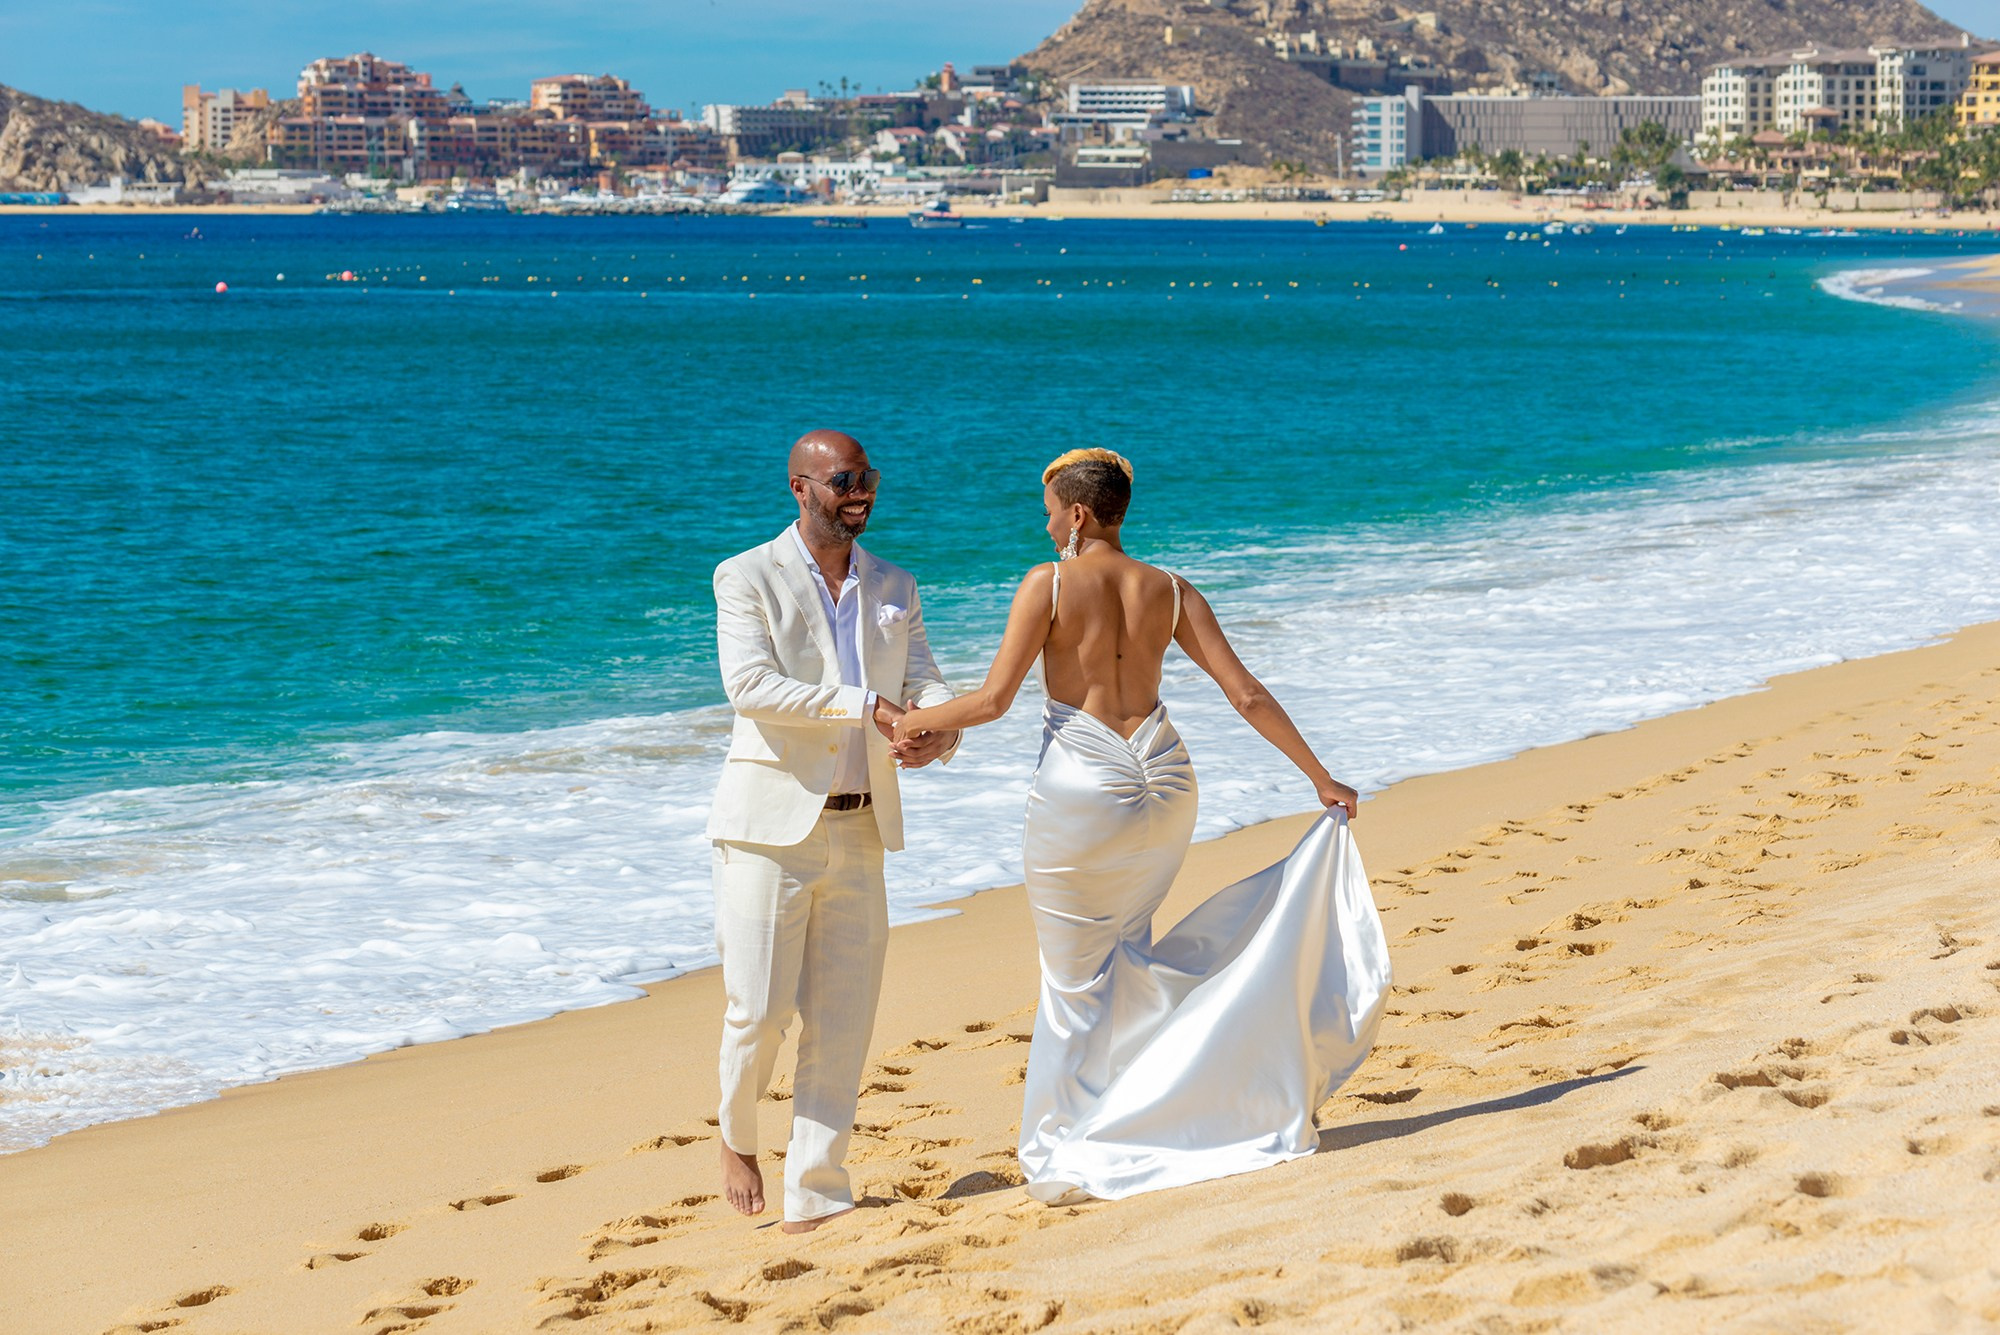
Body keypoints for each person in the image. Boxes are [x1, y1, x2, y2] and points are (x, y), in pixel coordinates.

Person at [892, 448, 1391, 1203]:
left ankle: (1065, 1145)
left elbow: (995, 699)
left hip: (1086, 786)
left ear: (1079, 513)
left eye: (1051, 509)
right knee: (1127, 949)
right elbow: (1245, 693)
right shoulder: (1171, 587)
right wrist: (1319, 776)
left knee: (1074, 976)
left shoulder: (1048, 581)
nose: (1047, 521)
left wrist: (913, 721)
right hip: (1165, 779)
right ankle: (1135, 1106)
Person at [707, 429, 960, 1232]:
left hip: (861, 826)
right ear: (800, 487)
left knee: (843, 1016)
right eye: (844, 479)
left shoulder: (895, 582)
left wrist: (938, 727)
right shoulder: (746, 574)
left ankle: (815, 1189)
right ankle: (738, 1137)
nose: (862, 492)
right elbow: (750, 685)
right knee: (759, 1008)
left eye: (869, 477)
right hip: (768, 828)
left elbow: (922, 675)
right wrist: (866, 706)